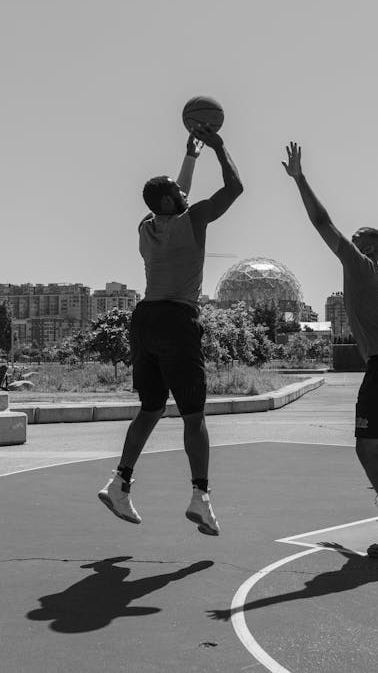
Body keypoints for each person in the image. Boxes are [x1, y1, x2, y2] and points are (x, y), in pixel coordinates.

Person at [282, 141, 378, 558]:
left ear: (368, 249)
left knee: (367, 448)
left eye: (357, 236)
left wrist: (300, 179)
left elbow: (321, 221)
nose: (350, 237)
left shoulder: (360, 264)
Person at [98, 126, 243, 536]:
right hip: (177, 320)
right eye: (179, 195)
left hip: (144, 319)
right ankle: (201, 497)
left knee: (151, 408)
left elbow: (172, 192)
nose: (185, 195)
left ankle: (120, 483)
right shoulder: (193, 218)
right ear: (171, 202)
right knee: (194, 416)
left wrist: (190, 158)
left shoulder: (147, 226)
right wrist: (217, 146)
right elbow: (234, 188)